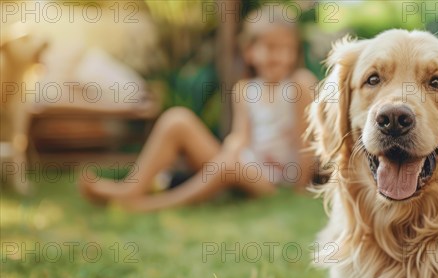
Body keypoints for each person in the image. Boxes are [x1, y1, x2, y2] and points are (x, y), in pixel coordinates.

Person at [79, 7, 317, 212]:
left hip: (273, 181)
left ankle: (155, 204)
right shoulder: (245, 89)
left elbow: (305, 142)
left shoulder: (299, 83)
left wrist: (301, 187)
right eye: (271, 47)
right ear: (249, 52)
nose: (280, 56)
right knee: (177, 119)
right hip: (244, 165)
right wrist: (232, 149)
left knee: (230, 162)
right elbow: (240, 136)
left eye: (288, 48)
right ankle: (130, 190)